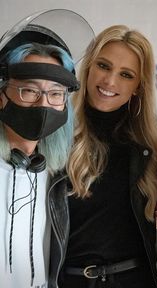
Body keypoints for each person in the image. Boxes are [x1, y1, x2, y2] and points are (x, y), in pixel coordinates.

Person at [51, 24, 157, 288]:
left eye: (126, 74)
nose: (110, 82)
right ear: (89, 66)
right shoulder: (56, 133)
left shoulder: (149, 143)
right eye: (103, 65)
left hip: (135, 280)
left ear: (138, 86)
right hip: (71, 281)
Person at [0, 9, 94, 288]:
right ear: (2, 96)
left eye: (55, 94)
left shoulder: (59, 177)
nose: (43, 104)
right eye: (29, 90)